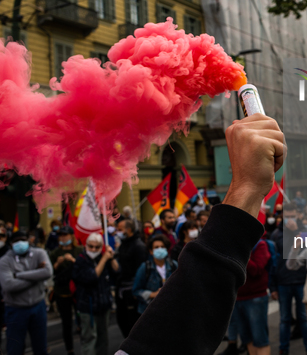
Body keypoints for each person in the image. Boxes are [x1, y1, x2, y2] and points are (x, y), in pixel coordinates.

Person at [116, 113, 284, 355]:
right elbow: (184, 318)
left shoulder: (264, 245)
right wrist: (247, 186)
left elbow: (166, 336)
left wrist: (248, 187)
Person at [0, 231, 53, 355]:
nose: (20, 244)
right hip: (16, 310)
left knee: (41, 348)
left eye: (22, 240)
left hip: (38, 306)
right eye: (16, 241)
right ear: (11, 244)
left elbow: (48, 272)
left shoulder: (39, 253)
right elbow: (9, 285)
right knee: (15, 349)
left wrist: (18, 275)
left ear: (28, 240)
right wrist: (36, 275)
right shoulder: (4, 261)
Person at [269, 202, 307, 355]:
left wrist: (296, 232)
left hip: (301, 280)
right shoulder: (276, 234)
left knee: (304, 319)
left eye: (293, 216)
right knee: (285, 319)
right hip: (283, 282)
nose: (290, 219)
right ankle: (283, 349)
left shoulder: (306, 231)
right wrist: (273, 286)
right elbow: (274, 262)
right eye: (287, 217)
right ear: (282, 216)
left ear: (298, 215)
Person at [72, 233, 119, 355]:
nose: (93, 249)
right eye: (91, 246)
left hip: (103, 305)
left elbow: (117, 271)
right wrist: (104, 259)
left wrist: (111, 257)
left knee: (103, 339)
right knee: (89, 339)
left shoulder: (102, 258)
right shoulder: (81, 260)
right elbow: (91, 277)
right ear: (86, 245)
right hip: (88, 308)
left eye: (97, 247)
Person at [228, 235, 271, 355]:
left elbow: (256, 270)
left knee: (260, 339)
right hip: (238, 297)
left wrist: (241, 254)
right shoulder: (232, 246)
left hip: (255, 298)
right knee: (247, 339)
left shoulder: (260, 245)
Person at [49, 226, 83, 355]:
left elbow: (84, 268)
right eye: (61, 235)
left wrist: (73, 260)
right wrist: (57, 264)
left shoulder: (79, 250)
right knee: (66, 323)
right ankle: (70, 350)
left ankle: (86, 346)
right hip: (62, 293)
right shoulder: (55, 253)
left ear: (71, 236)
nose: (63, 237)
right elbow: (50, 272)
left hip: (77, 292)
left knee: (82, 320)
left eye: (66, 235)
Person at [115, 219, 148, 338]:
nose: (117, 232)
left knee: (132, 322)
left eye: (119, 229)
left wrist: (136, 289)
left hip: (131, 289)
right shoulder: (123, 244)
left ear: (128, 230)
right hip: (122, 288)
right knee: (122, 320)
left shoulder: (138, 246)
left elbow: (141, 270)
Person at [132, 234, 177, 314]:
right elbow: (136, 291)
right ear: (151, 251)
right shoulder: (145, 268)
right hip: (150, 312)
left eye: (162, 247)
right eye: (156, 247)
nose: (160, 249)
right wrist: (153, 294)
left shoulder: (174, 265)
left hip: (171, 310)